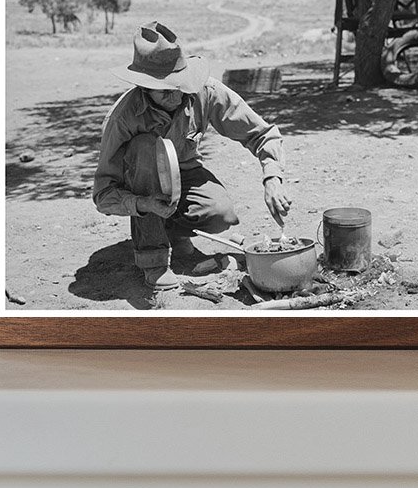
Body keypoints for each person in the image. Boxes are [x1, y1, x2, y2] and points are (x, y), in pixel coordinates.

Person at [93, 21, 292, 292]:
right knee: (145, 148)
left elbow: (261, 133)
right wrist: (144, 204)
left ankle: (175, 233)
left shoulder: (204, 91)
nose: (176, 95)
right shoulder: (122, 118)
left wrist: (272, 177)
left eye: (180, 85)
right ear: (144, 87)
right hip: (142, 185)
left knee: (221, 214)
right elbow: (103, 195)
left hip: (183, 174)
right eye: (165, 90)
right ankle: (153, 260)